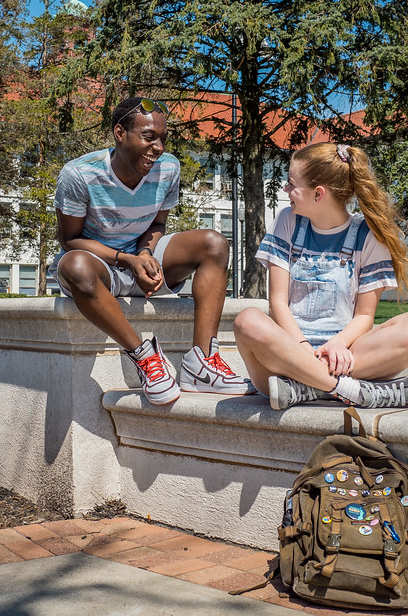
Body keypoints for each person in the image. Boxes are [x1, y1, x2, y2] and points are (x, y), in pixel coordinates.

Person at [50, 96, 255, 405]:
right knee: (74, 266)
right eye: (148, 137)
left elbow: (158, 224)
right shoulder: (79, 174)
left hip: (141, 257)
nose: (158, 147)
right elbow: (70, 239)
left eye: (162, 138)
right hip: (100, 267)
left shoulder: (168, 168)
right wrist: (127, 260)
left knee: (214, 243)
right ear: (120, 133)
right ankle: (145, 358)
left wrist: (145, 255)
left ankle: (202, 364)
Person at [233, 141, 408, 410]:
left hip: (345, 356)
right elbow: (277, 304)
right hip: (286, 356)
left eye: (292, 184)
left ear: (318, 194)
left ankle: (307, 387)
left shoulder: (368, 236)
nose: (286, 190)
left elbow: (364, 316)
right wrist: (302, 348)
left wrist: (338, 344)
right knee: (247, 320)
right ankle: (353, 391)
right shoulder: (287, 221)